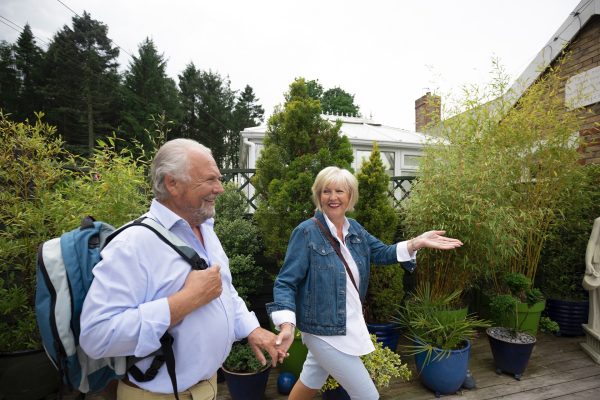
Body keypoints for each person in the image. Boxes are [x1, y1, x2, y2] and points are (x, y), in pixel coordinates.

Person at [80, 138, 285, 400]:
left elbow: (224, 290)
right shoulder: (132, 244)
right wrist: (185, 301)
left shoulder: (205, 229)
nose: (220, 189)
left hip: (207, 388)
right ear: (172, 183)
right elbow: (96, 336)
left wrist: (250, 329)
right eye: (210, 180)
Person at [267, 166, 463, 400]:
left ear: (350, 196)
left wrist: (416, 243)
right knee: (368, 396)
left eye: (339, 191)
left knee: (310, 381)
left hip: (348, 325)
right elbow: (285, 282)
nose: (333, 197)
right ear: (318, 196)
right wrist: (287, 325)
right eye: (326, 191)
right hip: (323, 332)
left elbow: (382, 252)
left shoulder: (355, 230)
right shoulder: (306, 232)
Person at [583, 216, 600, 332]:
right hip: (598, 264)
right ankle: (596, 327)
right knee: (597, 299)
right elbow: (592, 241)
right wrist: (588, 262)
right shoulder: (599, 221)